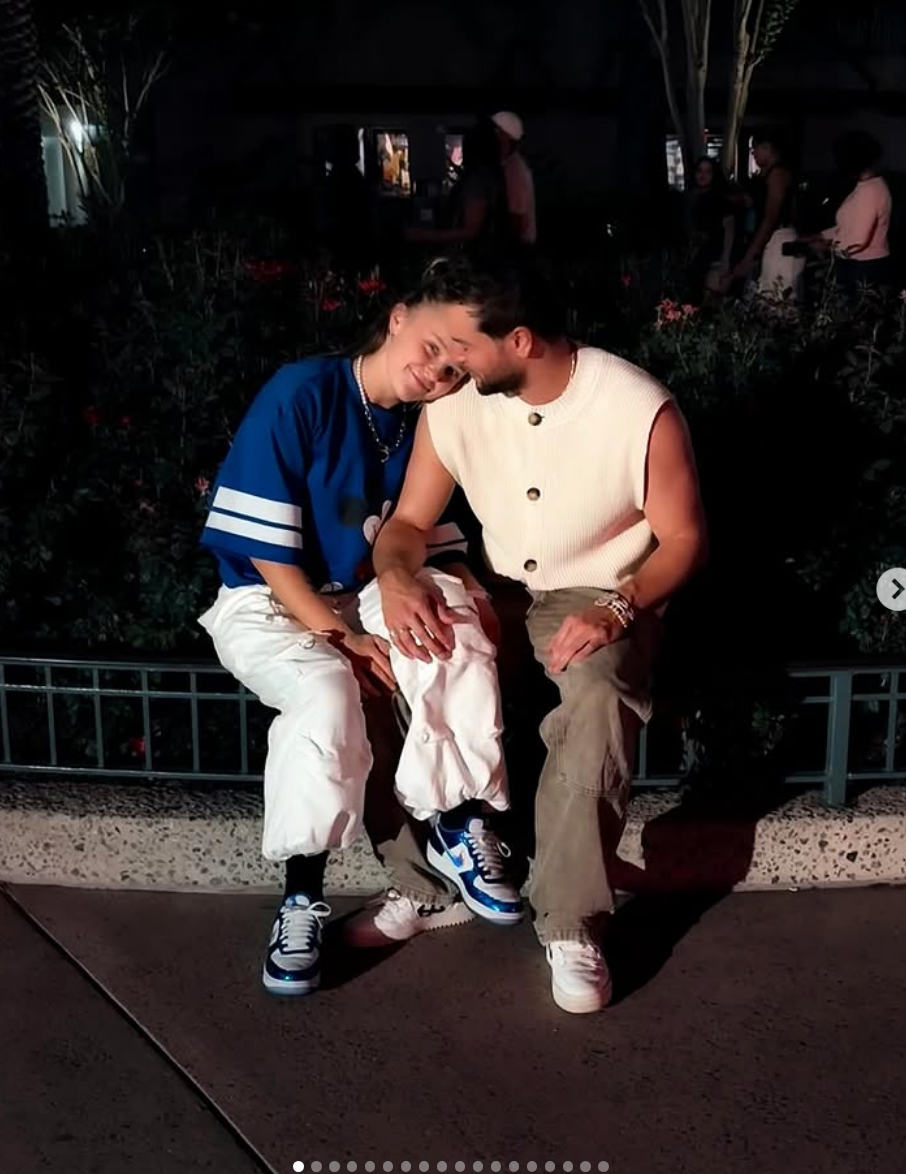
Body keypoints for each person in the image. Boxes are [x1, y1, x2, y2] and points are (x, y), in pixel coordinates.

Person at [370, 253, 708, 1014]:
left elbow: (685, 538)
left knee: (596, 694)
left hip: (601, 592)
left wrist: (619, 609)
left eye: (461, 347)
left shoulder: (637, 407)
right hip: (493, 589)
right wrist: (395, 577)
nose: (446, 364)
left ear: (519, 341)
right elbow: (410, 522)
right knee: (393, 660)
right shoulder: (455, 404)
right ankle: (426, 883)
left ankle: (570, 923)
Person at [197, 287, 523, 997]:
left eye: (453, 368)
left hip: (363, 591)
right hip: (269, 598)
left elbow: (420, 540)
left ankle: (461, 824)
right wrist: (339, 634)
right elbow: (267, 559)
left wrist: (473, 593)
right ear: (397, 317)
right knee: (327, 692)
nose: (436, 373)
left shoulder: (423, 423)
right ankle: (300, 900)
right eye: (431, 348)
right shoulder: (304, 391)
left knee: (448, 626)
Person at [801, 130, 893, 295]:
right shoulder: (866, 185)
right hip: (860, 265)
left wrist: (824, 246)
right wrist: (820, 236)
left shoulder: (870, 191)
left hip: (863, 267)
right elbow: (848, 226)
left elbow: (857, 240)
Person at [405, 121, 509, 248]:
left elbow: (471, 231)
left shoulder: (478, 179)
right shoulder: (488, 175)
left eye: (466, 146)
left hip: (470, 254)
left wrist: (424, 235)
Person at [726, 127, 803, 299]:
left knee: (776, 299)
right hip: (775, 240)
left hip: (780, 240)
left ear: (767, 147)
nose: (753, 153)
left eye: (755, 149)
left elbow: (770, 218)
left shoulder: (777, 174)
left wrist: (748, 258)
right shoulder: (770, 175)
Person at [686, 156, 735, 300]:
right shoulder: (691, 197)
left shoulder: (719, 198)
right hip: (696, 253)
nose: (703, 175)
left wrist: (725, 259)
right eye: (700, 171)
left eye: (708, 172)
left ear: (714, 175)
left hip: (713, 253)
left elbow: (729, 228)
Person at [491, 111, 537, 247]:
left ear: (507, 136)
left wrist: (507, 249)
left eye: (497, 131)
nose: (494, 135)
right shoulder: (510, 164)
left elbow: (517, 218)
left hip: (518, 247)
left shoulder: (513, 167)